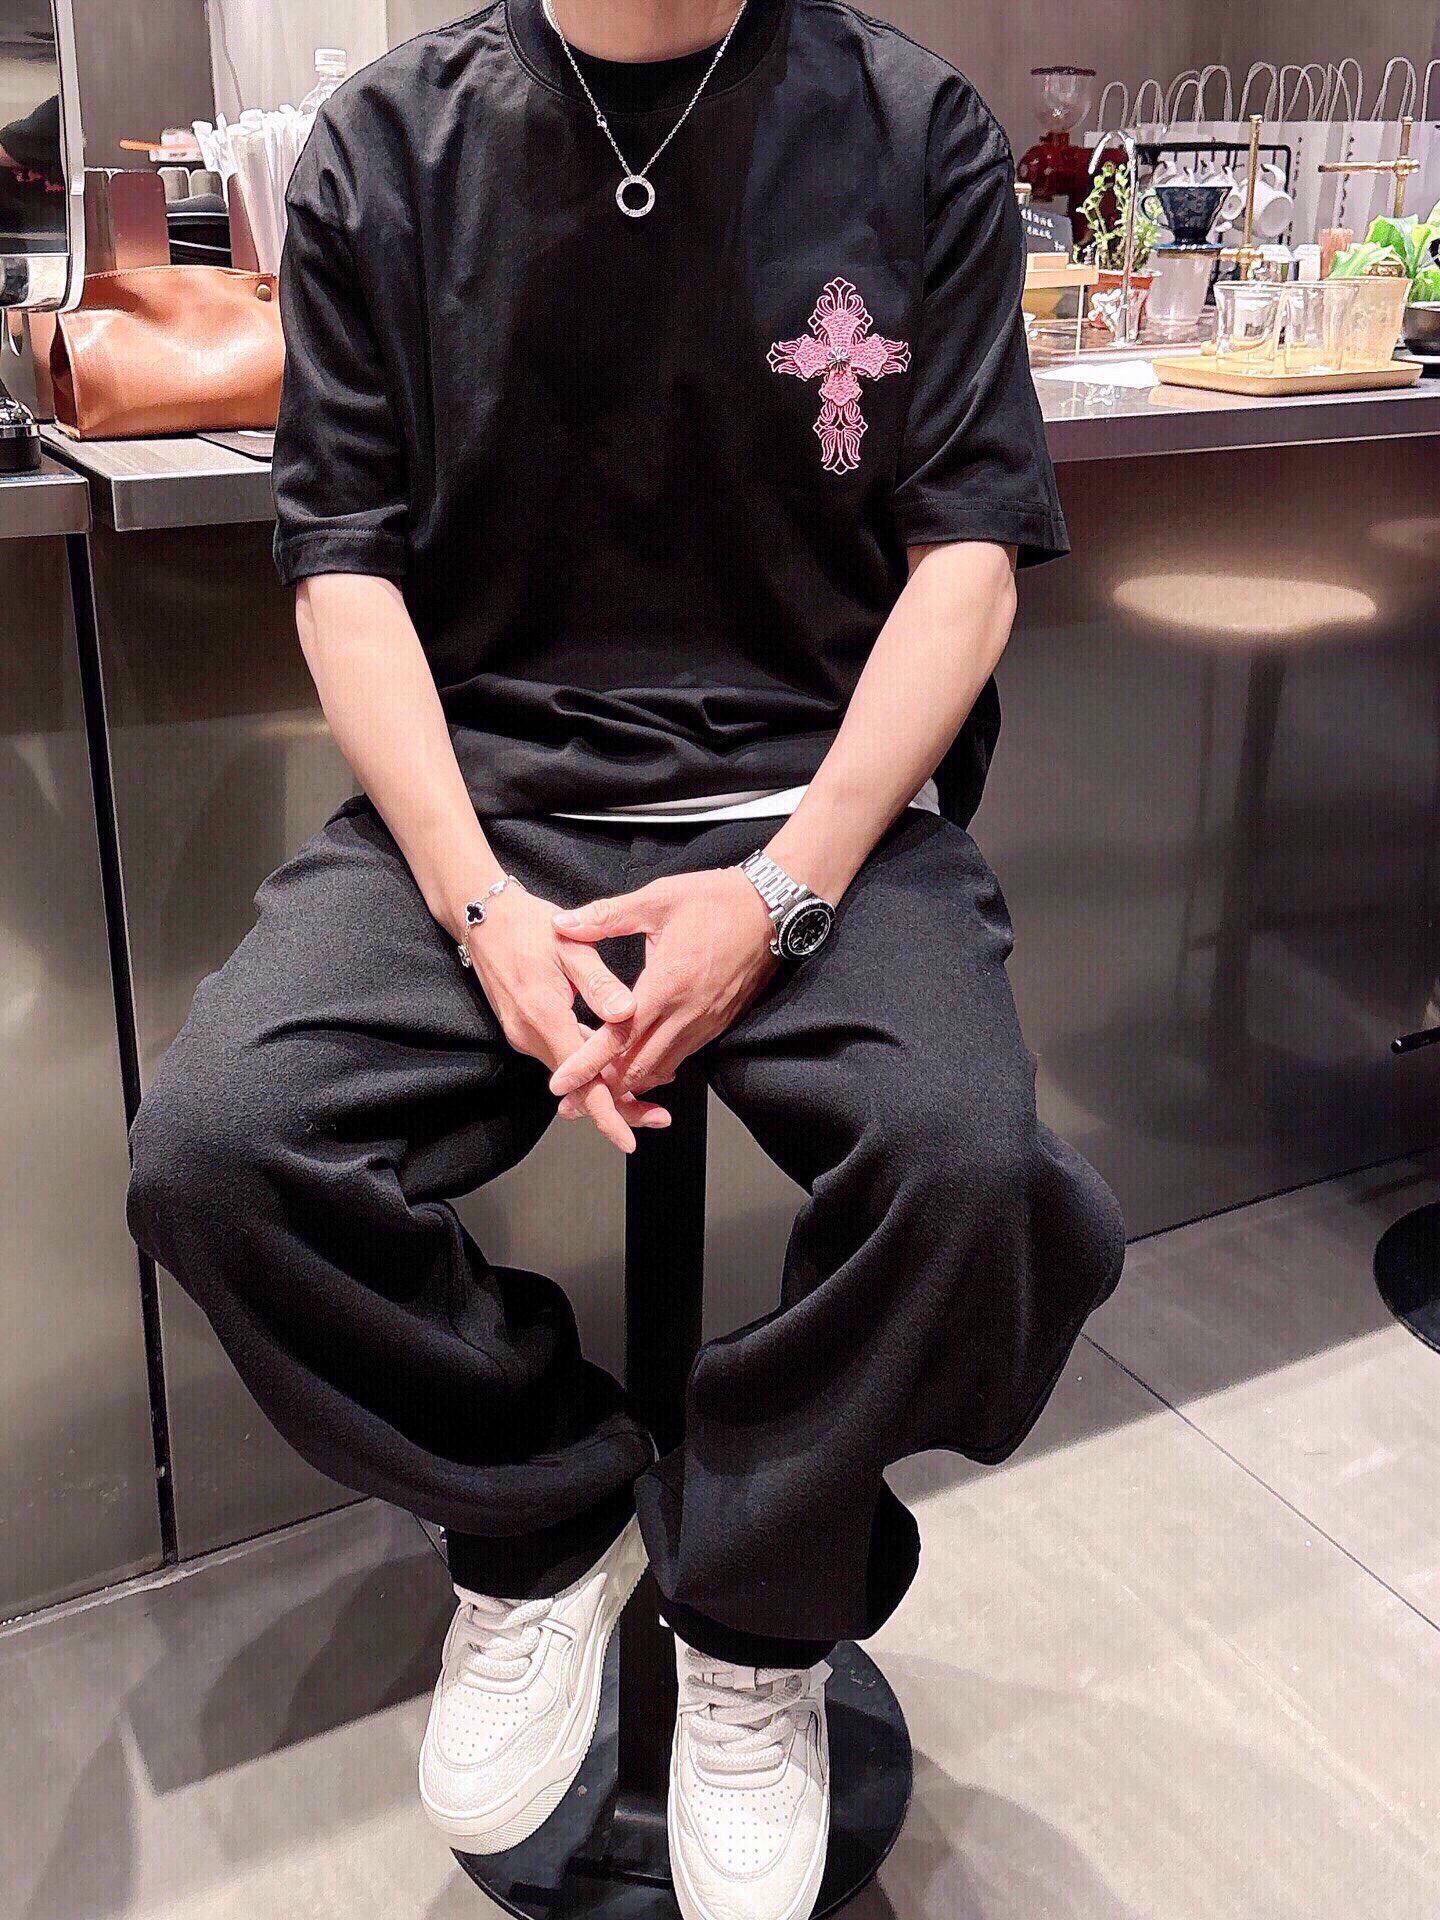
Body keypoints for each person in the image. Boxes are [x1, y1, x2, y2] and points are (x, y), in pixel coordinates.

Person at [125, 1, 1125, 1913]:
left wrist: (786, 889)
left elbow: (971, 556)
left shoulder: (910, 125)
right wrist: (478, 905)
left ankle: (756, 1612)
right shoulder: (389, 146)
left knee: (972, 1169)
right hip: (490, 808)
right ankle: (545, 1522)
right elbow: (343, 567)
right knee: (221, 1151)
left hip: (816, 803)